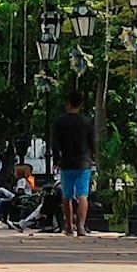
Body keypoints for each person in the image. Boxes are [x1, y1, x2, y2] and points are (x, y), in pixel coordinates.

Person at [52, 88, 96, 238]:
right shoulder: (86, 122)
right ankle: (81, 226)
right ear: (81, 104)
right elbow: (92, 142)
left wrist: (56, 160)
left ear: (68, 103)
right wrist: (93, 157)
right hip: (83, 163)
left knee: (67, 196)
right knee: (83, 195)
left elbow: (55, 143)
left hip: (67, 163)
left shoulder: (60, 122)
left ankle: (69, 226)